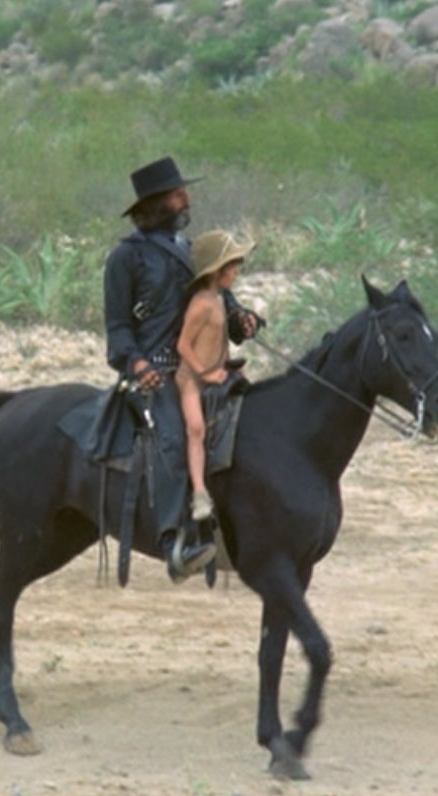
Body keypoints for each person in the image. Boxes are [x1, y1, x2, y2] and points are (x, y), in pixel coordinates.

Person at [103, 156, 261, 583]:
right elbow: (117, 328)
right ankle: (176, 542)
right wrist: (137, 364)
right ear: (156, 203)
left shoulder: (190, 250)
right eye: (177, 194)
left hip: (209, 367)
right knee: (173, 439)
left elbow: (220, 301)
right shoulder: (125, 257)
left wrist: (241, 319)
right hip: (157, 372)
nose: (186, 199)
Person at [176, 230, 254, 522]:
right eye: (231, 267)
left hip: (217, 370)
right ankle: (199, 493)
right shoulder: (201, 304)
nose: (235, 272)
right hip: (191, 378)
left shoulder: (219, 299)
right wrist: (203, 373)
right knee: (196, 428)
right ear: (215, 271)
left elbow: (217, 340)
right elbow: (183, 345)